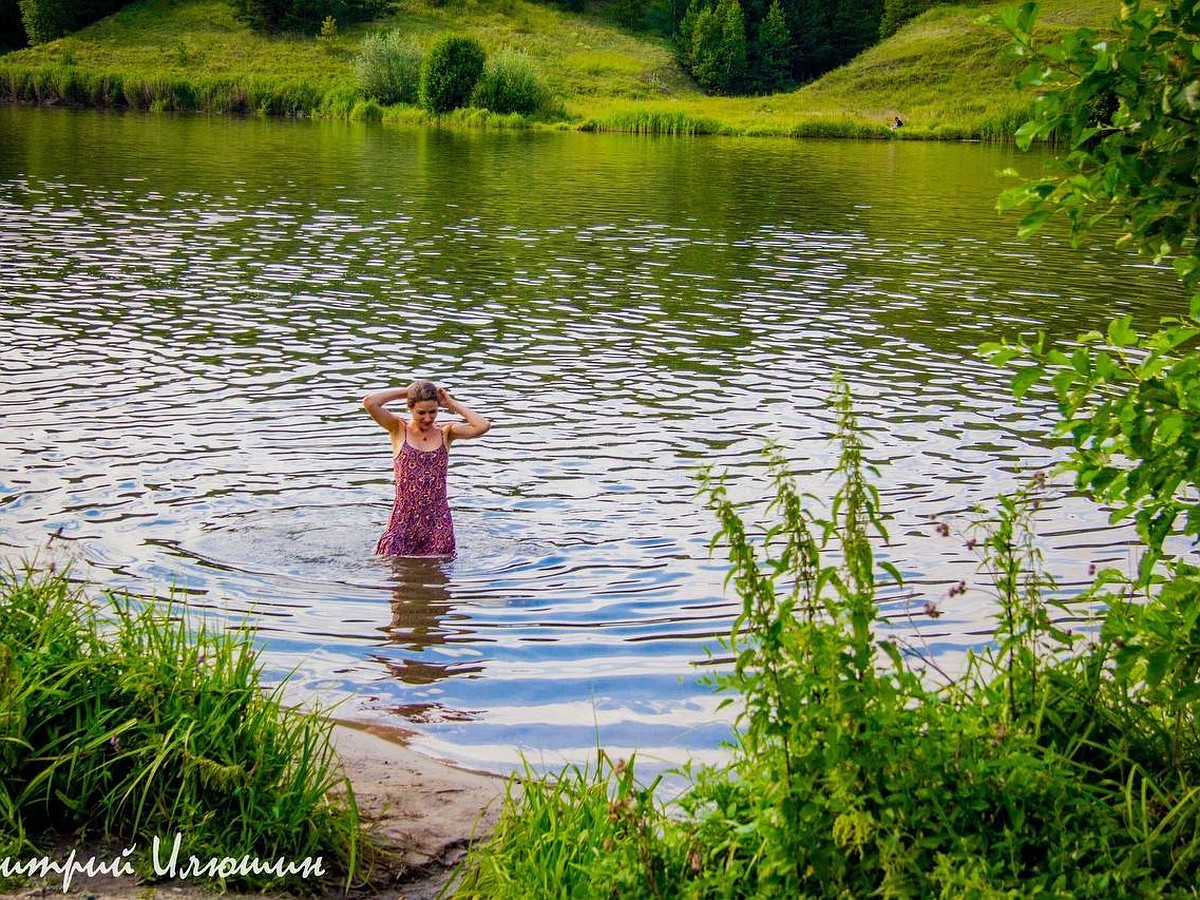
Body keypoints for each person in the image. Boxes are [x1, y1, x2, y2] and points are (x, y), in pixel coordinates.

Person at [363, 380, 490, 557]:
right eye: (421, 412)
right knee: (393, 571)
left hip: (438, 517)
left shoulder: (446, 432)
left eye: (433, 411)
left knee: (439, 575)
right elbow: (370, 402)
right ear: (410, 408)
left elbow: (482, 426)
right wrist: (406, 392)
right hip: (404, 516)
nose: (428, 418)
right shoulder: (398, 428)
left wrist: (451, 403)